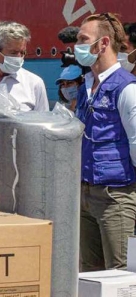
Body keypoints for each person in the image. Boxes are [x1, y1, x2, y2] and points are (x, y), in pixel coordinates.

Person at [74, 12, 136, 271]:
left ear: (103, 44)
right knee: (89, 273)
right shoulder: (85, 86)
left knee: (120, 272)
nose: (76, 46)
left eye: (82, 39)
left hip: (115, 196)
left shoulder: (127, 88)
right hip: (85, 194)